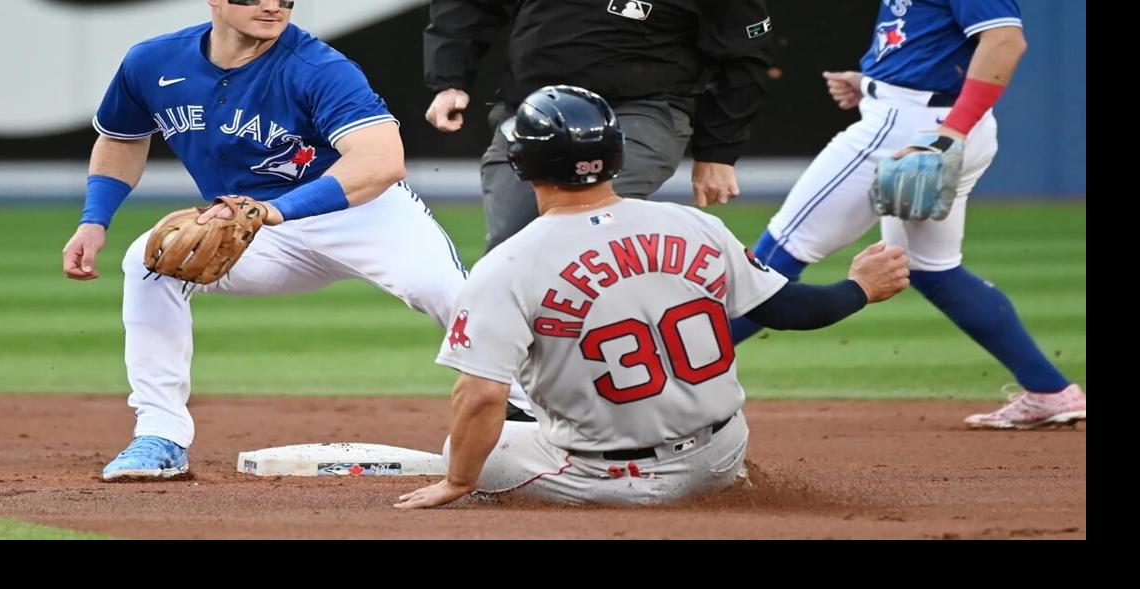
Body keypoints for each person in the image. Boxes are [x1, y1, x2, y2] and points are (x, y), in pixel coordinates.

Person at [60, 0, 518, 481]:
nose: (272, 6)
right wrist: (95, 220)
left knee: (446, 293)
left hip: (360, 212)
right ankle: (160, 435)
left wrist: (278, 210)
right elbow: (122, 139)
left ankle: (532, 416)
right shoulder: (152, 62)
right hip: (253, 227)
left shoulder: (318, 67)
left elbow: (381, 161)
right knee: (150, 264)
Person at [396, 86, 910, 508]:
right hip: (722, 456)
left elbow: (481, 395)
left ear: (521, 163)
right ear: (617, 155)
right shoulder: (695, 225)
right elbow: (793, 308)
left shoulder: (507, 265)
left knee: (466, 448)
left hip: (612, 479)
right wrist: (860, 287)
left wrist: (460, 480)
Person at [726, 0, 1086, 430]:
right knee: (933, 269)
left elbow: (1006, 41)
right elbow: (930, 38)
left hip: (916, 128)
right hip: (923, 118)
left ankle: (674, 372)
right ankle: (1049, 390)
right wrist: (874, 82)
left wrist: (950, 131)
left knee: (779, 254)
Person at [422, 0, 774, 252]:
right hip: (536, 109)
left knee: (582, 229)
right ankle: (511, 351)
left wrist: (718, 154)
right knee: (511, 247)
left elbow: (745, 58)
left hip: (641, 110)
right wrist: (449, 80)